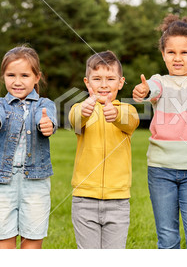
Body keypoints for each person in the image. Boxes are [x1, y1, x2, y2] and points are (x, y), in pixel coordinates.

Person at [132, 15, 187, 249]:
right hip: (160, 171)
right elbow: (152, 88)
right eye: (171, 52)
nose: (177, 58)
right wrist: (144, 90)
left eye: (184, 53)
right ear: (163, 54)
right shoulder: (159, 81)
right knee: (168, 240)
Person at [0, 45, 57, 249]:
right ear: (3, 76)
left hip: (35, 184)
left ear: (36, 77)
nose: (17, 81)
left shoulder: (45, 105)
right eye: (11, 75)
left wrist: (47, 125)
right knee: (4, 243)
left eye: (24, 75)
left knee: (32, 244)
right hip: (2, 184)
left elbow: (49, 119)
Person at [68, 50, 139, 249]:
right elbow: (74, 121)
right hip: (84, 199)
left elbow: (131, 122)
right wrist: (85, 109)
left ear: (121, 82)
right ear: (87, 82)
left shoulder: (127, 110)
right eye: (97, 79)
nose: (104, 84)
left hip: (118, 201)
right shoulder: (79, 109)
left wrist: (115, 114)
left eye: (110, 78)